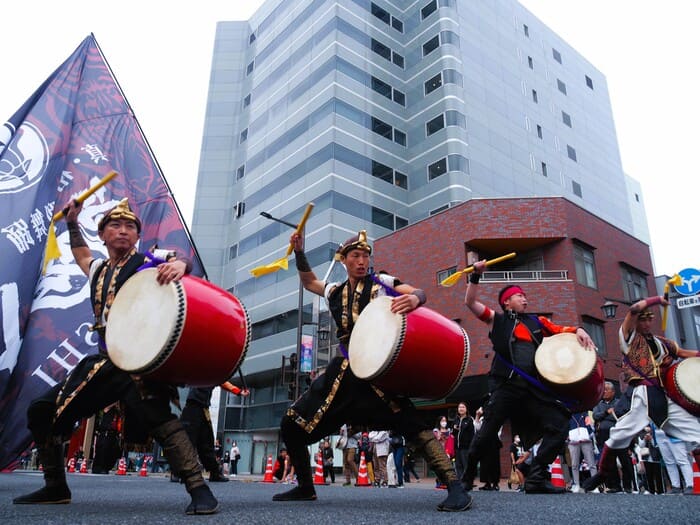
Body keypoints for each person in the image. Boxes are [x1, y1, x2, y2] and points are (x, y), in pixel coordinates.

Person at [12, 198, 218, 515]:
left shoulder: (148, 260)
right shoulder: (98, 269)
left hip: (138, 364)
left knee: (160, 420)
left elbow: (180, 260)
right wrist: (71, 222)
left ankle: (200, 490)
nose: (123, 231)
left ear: (137, 236)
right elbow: (81, 254)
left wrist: (181, 266)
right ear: (103, 234)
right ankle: (55, 487)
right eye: (115, 225)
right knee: (41, 411)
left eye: (130, 227)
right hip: (105, 361)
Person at [273, 230, 472, 512]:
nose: (362, 261)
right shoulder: (335, 291)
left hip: (376, 373)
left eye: (365, 256)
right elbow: (309, 282)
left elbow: (417, 292)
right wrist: (299, 252)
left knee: (412, 424)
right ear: (343, 260)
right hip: (342, 374)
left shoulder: (381, 283)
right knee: (291, 423)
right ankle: (305, 487)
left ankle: (455, 487)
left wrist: (415, 299)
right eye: (355, 256)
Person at [463, 260, 597, 494]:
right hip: (505, 386)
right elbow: (470, 302)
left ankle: (535, 477)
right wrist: (476, 276)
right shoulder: (498, 319)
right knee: (486, 434)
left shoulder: (537, 321)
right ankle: (465, 478)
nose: (525, 299)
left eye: (525, 296)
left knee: (559, 423)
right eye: (519, 296)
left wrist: (580, 329)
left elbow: (560, 330)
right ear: (507, 302)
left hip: (531, 388)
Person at [583, 296, 700, 492]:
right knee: (619, 435)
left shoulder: (662, 342)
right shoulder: (628, 337)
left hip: (664, 395)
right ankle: (603, 474)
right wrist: (658, 300)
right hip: (643, 392)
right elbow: (634, 308)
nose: (646, 323)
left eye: (649, 319)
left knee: (696, 433)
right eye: (642, 319)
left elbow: (685, 353)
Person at [177, 383, 248, 483]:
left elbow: (223, 381)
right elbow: (223, 381)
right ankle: (180, 471)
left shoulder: (213, 374)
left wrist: (239, 391)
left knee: (207, 442)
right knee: (189, 440)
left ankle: (214, 472)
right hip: (193, 407)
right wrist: (238, 391)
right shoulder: (204, 370)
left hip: (202, 407)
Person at [591, 381, 634, 492]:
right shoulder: (598, 404)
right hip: (604, 437)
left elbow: (620, 416)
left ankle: (628, 486)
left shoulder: (619, 403)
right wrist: (607, 412)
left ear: (613, 391)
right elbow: (596, 416)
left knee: (625, 461)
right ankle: (615, 486)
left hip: (619, 436)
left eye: (606, 389)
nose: (604, 392)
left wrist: (605, 417)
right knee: (610, 463)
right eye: (603, 390)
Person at [567, 411, 597, 493]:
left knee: (591, 463)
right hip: (573, 441)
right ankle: (576, 484)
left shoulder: (585, 413)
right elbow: (565, 426)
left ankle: (595, 485)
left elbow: (590, 425)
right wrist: (567, 436)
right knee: (574, 464)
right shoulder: (567, 414)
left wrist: (589, 433)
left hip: (586, 440)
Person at [453, 402, 475, 482]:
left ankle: (468, 482)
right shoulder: (456, 419)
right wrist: (454, 430)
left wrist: (471, 447)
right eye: (459, 407)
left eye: (463, 407)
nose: (461, 409)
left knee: (466, 465)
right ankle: (460, 482)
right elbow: (453, 434)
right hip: (457, 447)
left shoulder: (469, 420)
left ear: (466, 409)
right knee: (458, 465)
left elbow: (472, 434)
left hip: (466, 447)